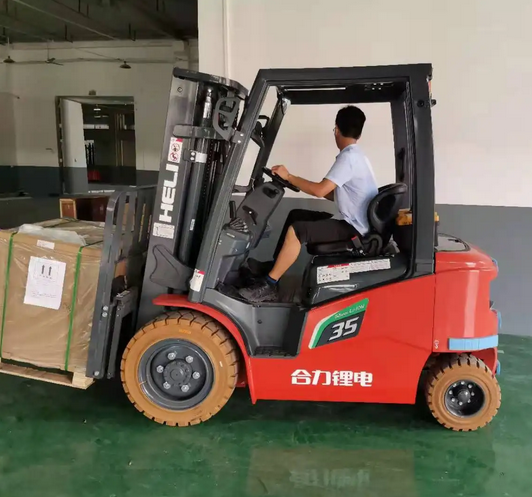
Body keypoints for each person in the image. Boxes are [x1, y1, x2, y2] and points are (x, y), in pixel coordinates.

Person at [239, 105, 378, 303]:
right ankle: (275, 267)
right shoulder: (358, 156)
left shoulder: (348, 158)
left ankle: (269, 284)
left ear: (337, 130)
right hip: (356, 223)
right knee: (296, 215)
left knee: (297, 231)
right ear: (359, 134)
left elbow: (320, 191)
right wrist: (294, 181)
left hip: (354, 229)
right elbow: (333, 194)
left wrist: (290, 177)